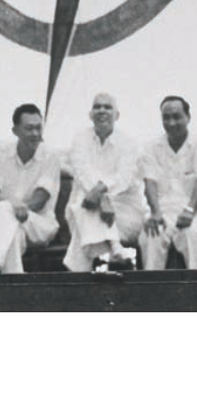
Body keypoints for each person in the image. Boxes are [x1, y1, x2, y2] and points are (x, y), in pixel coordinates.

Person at [0, 104, 62, 274]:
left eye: (38, 128)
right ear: (15, 130)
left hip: (39, 224)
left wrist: (10, 208)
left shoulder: (50, 155)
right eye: (29, 128)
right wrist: (13, 205)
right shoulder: (0, 151)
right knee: (12, 234)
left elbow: (39, 201)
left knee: (3, 209)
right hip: (9, 225)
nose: (35, 134)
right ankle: (14, 281)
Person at [65, 93, 143, 272]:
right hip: (89, 207)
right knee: (83, 206)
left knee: (83, 212)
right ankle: (115, 249)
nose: (102, 111)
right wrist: (103, 200)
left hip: (124, 212)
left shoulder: (129, 143)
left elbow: (124, 178)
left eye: (107, 107)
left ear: (117, 115)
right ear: (90, 114)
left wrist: (100, 191)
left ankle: (77, 275)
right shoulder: (79, 139)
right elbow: (82, 172)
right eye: (97, 107)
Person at [138, 95, 197, 270]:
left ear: (188, 117)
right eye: (166, 118)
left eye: (176, 117)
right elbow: (149, 182)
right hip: (164, 209)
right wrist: (155, 212)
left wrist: (190, 211)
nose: (171, 123)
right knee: (151, 235)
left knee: (191, 234)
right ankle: (152, 292)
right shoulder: (150, 147)